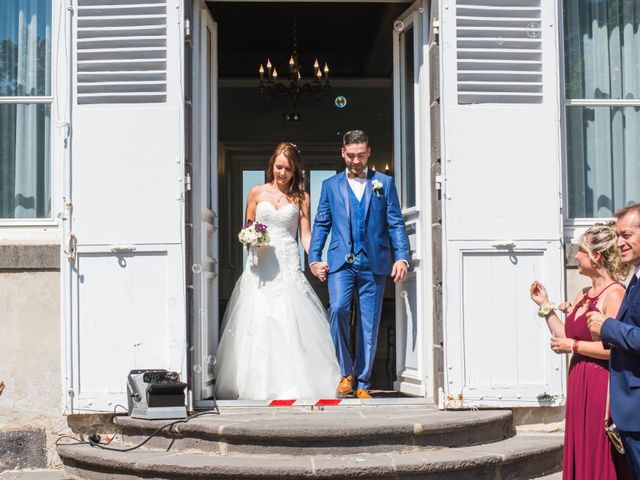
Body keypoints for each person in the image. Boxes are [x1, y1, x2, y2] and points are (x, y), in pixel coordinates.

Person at [214, 142, 340, 400]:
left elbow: (305, 234)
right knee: (259, 318)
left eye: (288, 169)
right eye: (279, 167)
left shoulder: (301, 197)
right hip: (261, 263)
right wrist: (251, 239)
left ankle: (292, 382)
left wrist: (315, 259)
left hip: (287, 261)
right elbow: (247, 228)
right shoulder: (256, 192)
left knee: (287, 319)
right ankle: (257, 384)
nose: (282, 173)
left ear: (295, 171)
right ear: (272, 166)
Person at [308, 130, 410, 399]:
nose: (356, 161)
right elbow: (321, 223)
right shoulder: (330, 186)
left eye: (360, 155)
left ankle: (363, 382)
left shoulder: (384, 184)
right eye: (351, 156)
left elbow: (395, 223)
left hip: (374, 262)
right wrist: (314, 257)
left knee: (369, 322)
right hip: (341, 262)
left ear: (369, 153)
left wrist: (402, 256)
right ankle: (346, 372)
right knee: (338, 308)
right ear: (343, 153)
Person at [530, 223, 629, 480]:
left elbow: (616, 349)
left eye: (581, 251)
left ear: (596, 257)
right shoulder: (584, 293)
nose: (575, 256)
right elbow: (565, 337)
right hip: (580, 381)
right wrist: (545, 307)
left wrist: (573, 347)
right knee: (582, 448)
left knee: (599, 451)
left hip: (601, 383)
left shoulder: (615, 294)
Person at [588, 203, 640, 478]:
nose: (619, 243)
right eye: (618, 235)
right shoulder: (636, 277)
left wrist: (608, 327)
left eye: (627, 235)